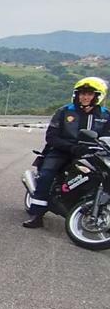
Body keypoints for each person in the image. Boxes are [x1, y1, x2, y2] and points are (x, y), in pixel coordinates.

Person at [23, 77, 110, 228]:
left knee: (103, 175)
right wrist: (71, 147)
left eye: (89, 94)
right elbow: (51, 136)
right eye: (82, 93)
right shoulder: (64, 111)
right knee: (47, 174)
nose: (85, 97)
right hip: (62, 151)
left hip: (92, 153)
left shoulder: (105, 115)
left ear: (97, 96)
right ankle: (37, 214)